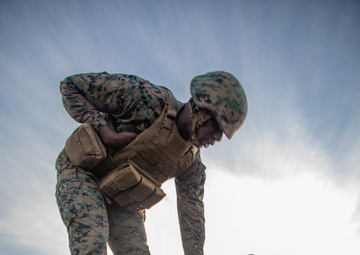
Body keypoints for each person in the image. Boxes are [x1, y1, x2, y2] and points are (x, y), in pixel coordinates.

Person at [55, 71, 248, 255]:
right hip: (83, 173)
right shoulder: (144, 98)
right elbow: (71, 86)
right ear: (200, 109)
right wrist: (105, 132)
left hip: (120, 200)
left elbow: (192, 215)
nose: (218, 138)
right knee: (92, 241)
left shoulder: (191, 162)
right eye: (217, 126)